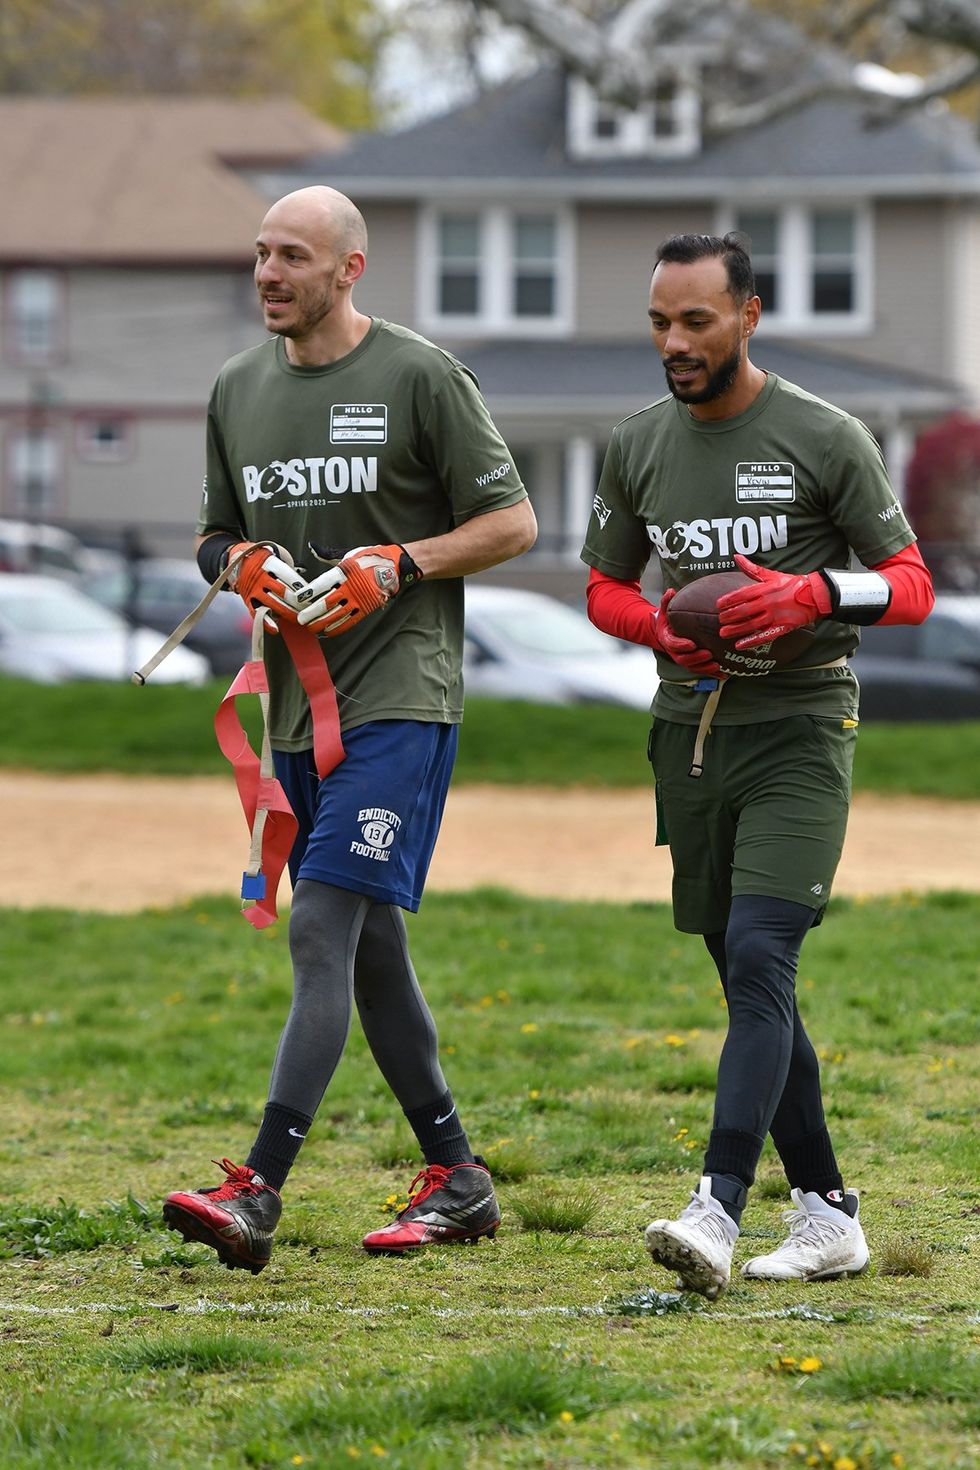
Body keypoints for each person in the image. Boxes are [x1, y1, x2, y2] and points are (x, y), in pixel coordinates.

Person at [162, 185, 537, 1272]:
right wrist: (238, 563)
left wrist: (400, 562)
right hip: (294, 708)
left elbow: (513, 522)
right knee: (371, 954)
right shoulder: (236, 388)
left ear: (347, 269)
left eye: (291, 256)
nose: (268, 274)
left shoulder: (420, 376)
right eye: (260, 255)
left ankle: (257, 1190)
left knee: (322, 927)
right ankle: (458, 1177)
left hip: (403, 704)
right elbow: (211, 531)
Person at [581, 232, 934, 1299]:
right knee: (747, 980)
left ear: (747, 316)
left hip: (799, 728)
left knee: (759, 959)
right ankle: (825, 1212)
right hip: (690, 733)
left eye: (694, 320)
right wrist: (658, 630)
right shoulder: (638, 443)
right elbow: (601, 588)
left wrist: (812, 594)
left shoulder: (824, 436)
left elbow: (909, 584)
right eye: (658, 322)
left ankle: (716, 1206)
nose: (674, 342)